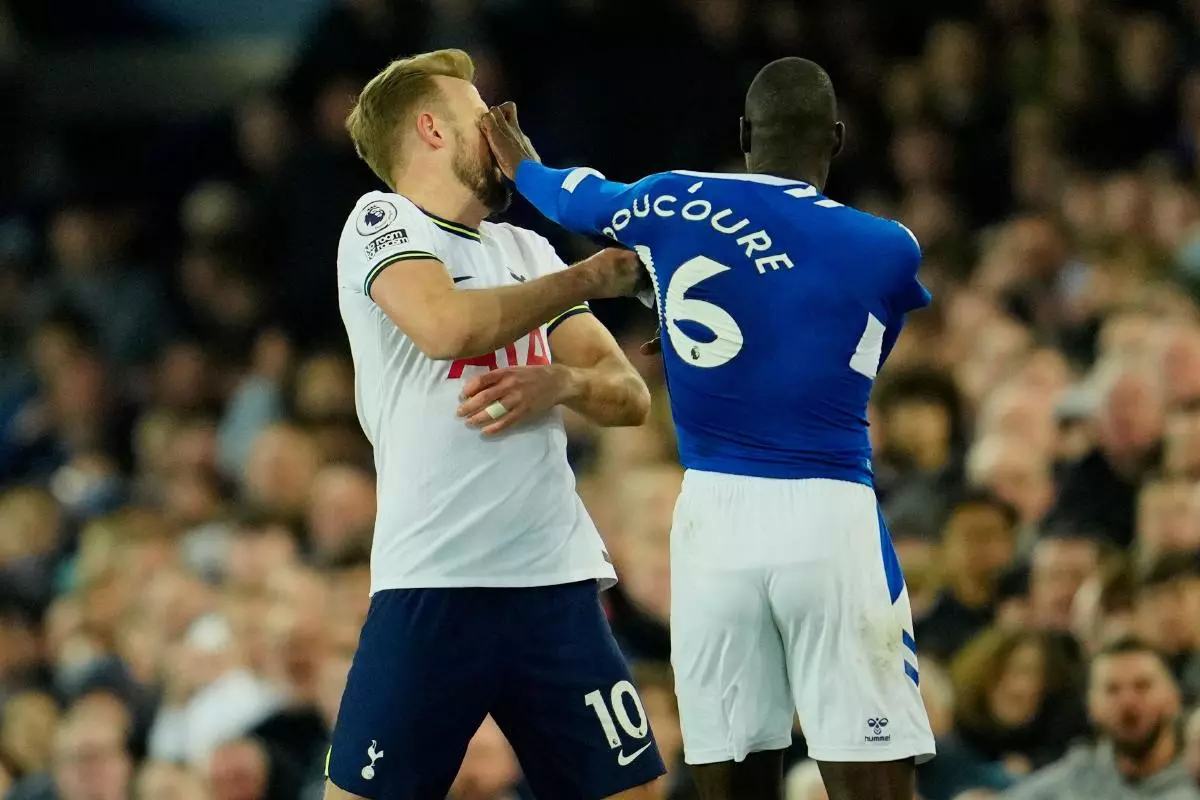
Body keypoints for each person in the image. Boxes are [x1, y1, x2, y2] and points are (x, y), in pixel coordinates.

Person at [482, 57, 935, 799]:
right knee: (872, 780)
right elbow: (854, 347)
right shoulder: (888, 245)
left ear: (743, 135)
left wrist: (522, 164)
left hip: (712, 521)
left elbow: (572, 196)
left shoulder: (667, 199)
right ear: (838, 139)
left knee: (728, 780)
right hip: (827, 514)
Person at [323, 49, 665, 800]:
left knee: (633, 792)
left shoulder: (526, 249)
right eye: (482, 118)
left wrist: (562, 382)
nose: (506, 135)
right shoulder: (383, 221)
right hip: (437, 581)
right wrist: (583, 279)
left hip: (553, 580)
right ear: (431, 131)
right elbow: (446, 327)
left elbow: (628, 395)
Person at [1001, 637, 1200, 799]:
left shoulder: (1193, 781)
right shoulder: (1076, 776)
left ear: (1173, 697)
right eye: (1112, 690)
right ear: (1091, 706)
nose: (1127, 702)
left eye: (1143, 686)